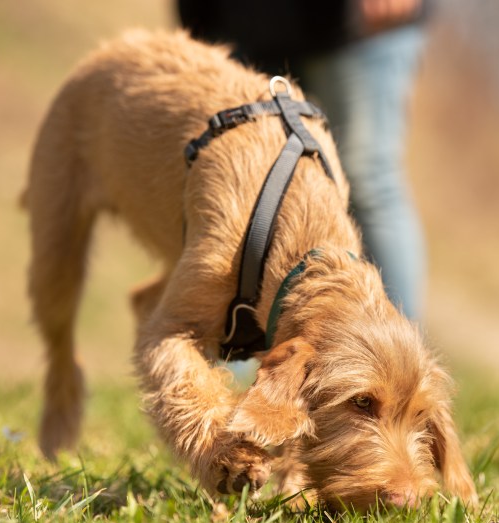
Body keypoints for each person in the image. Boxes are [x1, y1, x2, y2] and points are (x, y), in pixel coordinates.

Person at [179, 0, 431, 322]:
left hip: (357, 30)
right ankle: (227, 362)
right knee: (237, 193)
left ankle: (399, 361)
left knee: (369, 179)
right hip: (241, 23)